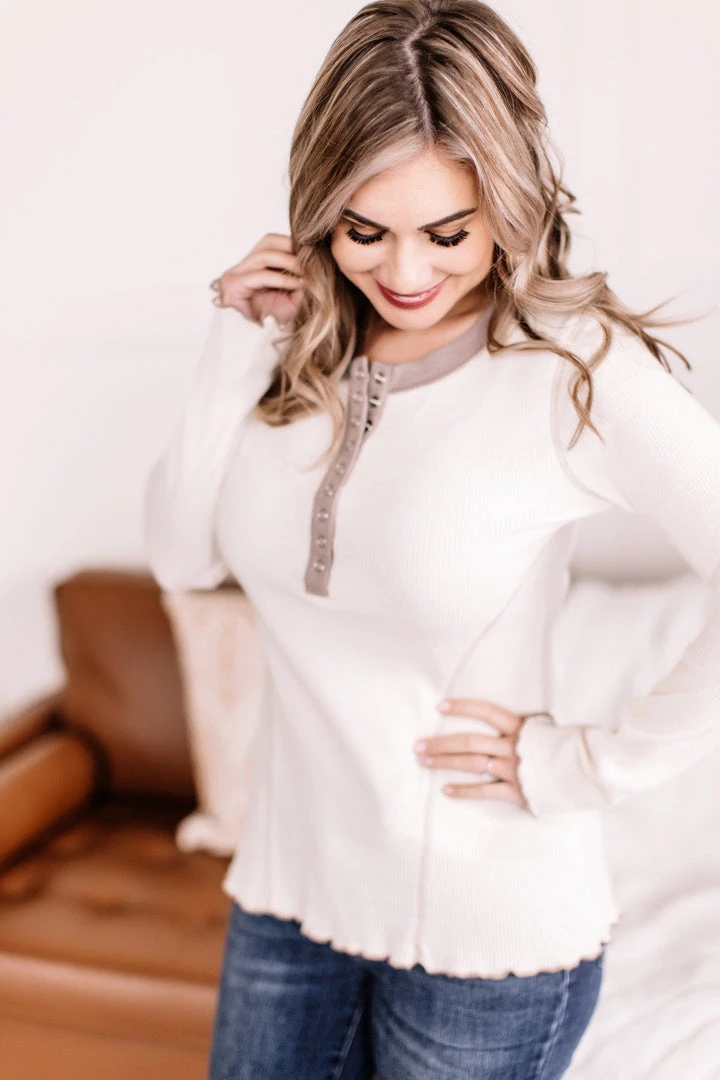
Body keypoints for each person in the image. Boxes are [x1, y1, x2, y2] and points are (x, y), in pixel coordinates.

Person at [143, 2, 720, 1077]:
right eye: (364, 230)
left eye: (448, 233)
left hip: (486, 940)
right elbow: (182, 558)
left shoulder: (569, 365)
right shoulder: (296, 344)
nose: (404, 272)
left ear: (509, 203)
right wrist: (232, 341)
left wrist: (588, 764)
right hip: (287, 897)